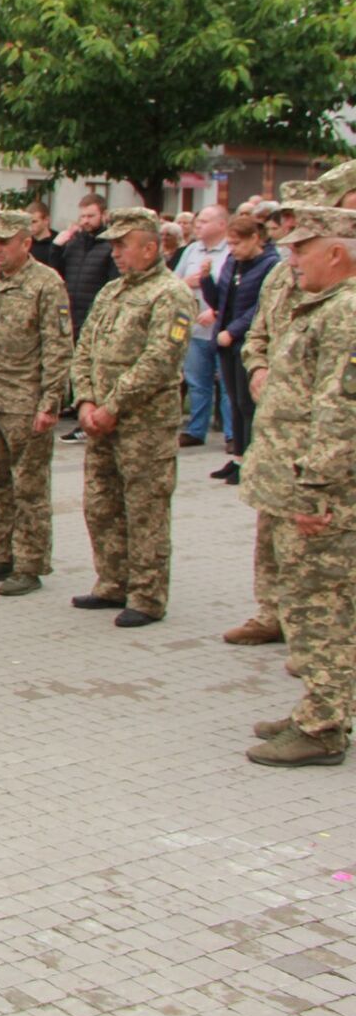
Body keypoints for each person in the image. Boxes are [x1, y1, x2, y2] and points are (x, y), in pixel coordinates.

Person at [238, 204, 356, 767]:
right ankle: (317, 706)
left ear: (336, 253)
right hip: (297, 487)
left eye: (303, 249)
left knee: (324, 612)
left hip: (323, 497)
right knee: (306, 610)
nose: (292, 259)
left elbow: (340, 415)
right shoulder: (323, 307)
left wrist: (315, 493)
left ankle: (324, 727)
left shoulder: (346, 313)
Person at [69, 208, 195, 626]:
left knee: (144, 509)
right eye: (114, 245)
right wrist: (86, 400)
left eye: (123, 245)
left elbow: (161, 359)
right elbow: (84, 346)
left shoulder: (171, 294)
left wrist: (112, 405)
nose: (116, 253)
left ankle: (147, 594)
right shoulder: (111, 293)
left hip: (144, 424)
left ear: (151, 247)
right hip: (101, 420)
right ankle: (112, 581)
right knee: (101, 505)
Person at [0, 211, 73, 597]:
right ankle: (2, 551)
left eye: (5, 242)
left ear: (26, 242)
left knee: (30, 488)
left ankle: (30, 562)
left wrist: (50, 402)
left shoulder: (46, 284)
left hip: (24, 402)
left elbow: (58, 347)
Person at [204, 213, 277, 485]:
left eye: (237, 243)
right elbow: (220, 301)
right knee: (234, 402)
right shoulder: (233, 263)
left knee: (248, 404)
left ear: (255, 239)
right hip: (225, 342)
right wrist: (205, 281)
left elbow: (259, 307)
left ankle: (251, 459)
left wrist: (233, 331)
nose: (232, 249)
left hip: (246, 343)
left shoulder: (270, 265)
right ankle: (237, 458)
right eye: (230, 243)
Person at [53, 194, 119, 441]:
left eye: (91, 215)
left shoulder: (109, 245)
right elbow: (56, 273)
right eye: (82, 216)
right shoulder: (76, 243)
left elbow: (112, 283)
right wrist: (57, 247)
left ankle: (90, 418)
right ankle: (78, 407)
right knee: (77, 367)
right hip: (73, 312)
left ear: (103, 214)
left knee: (94, 369)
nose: (86, 221)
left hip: (95, 315)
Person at [174, 205, 233, 449]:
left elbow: (236, 291)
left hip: (221, 330)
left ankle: (232, 433)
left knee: (228, 385)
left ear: (222, 224)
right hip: (195, 329)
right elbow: (174, 282)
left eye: (205, 221)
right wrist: (187, 282)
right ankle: (196, 430)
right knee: (198, 382)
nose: (199, 225)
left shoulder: (231, 251)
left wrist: (217, 311)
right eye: (197, 221)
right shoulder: (191, 250)